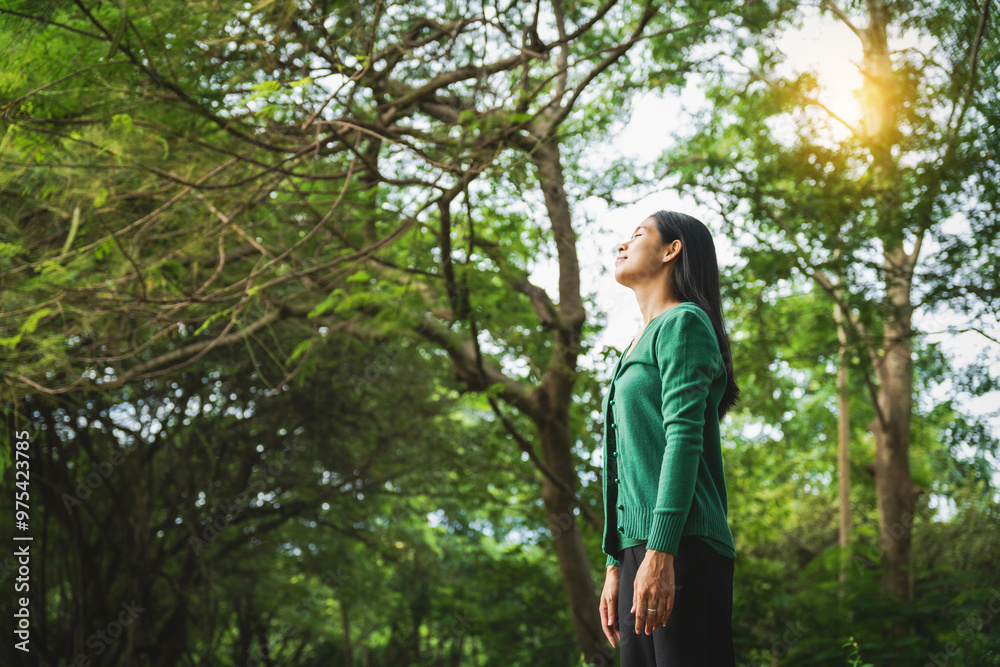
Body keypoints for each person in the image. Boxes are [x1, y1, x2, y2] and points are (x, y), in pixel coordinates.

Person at [598, 210, 739, 666]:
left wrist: (661, 551)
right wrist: (616, 563)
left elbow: (683, 439)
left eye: (637, 235)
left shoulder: (684, 324)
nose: (622, 245)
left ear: (671, 250)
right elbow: (626, 462)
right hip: (642, 548)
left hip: (684, 544)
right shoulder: (634, 346)